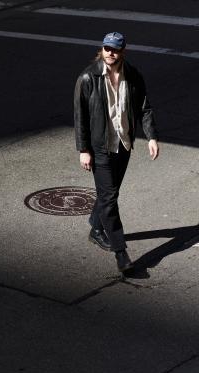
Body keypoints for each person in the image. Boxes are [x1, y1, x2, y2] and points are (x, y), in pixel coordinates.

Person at [74, 32, 159, 273]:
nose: (110, 53)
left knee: (109, 193)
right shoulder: (88, 77)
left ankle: (96, 226)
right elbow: (80, 116)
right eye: (107, 48)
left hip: (123, 143)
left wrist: (151, 136)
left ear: (123, 51)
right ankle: (121, 253)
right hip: (100, 147)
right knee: (110, 198)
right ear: (101, 49)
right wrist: (83, 149)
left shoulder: (132, 75)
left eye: (115, 49)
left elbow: (144, 107)